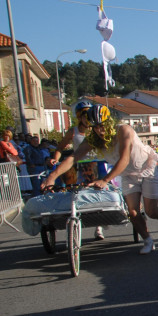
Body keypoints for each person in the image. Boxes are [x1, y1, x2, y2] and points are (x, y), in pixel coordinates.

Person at [42, 104, 158, 254]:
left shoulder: (124, 130)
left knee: (151, 211)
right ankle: (148, 240)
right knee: (132, 212)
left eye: (102, 125)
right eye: (95, 127)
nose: (99, 130)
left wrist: (105, 180)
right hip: (127, 175)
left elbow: (124, 159)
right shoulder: (93, 139)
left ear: (109, 122)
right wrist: (52, 176)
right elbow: (73, 157)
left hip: (146, 169)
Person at [48, 101, 106, 239]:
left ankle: (99, 227)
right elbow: (60, 147)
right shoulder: (73, 131)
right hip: (80, 166)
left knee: (99, 194)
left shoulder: (96, 129)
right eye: (84, 115)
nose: (87, 118)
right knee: (77, 194)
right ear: (79, 117)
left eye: (89, 115)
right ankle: (75, 222)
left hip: (97, 164)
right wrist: (56, 159)